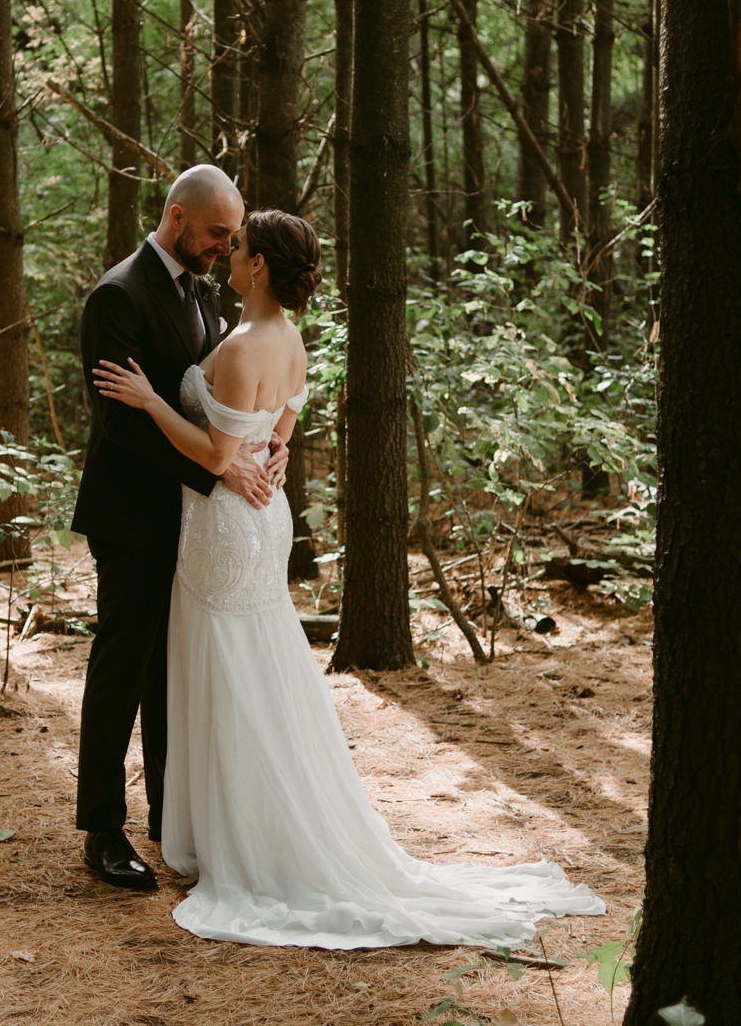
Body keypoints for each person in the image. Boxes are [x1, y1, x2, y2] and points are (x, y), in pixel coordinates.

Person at [93, 208, 604, 948]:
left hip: (228, 525)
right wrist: (276, 453)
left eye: (239, 247)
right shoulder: (290, 340)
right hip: (262, 521)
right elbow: (281, 431)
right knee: (257, 668)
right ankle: (248, 822)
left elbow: (211, 457)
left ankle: (239, 836)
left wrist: (148, 400)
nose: (229, 255)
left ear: (260, 266)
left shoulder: (238, 347)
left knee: (225, 669)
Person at [70, 165, 286, 890]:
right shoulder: (116, 294)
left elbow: (224, 399)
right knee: (123, 667)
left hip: (195, 522)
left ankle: (172, 818)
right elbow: (118, 423)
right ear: (176, 216)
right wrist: (219, 470)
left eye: (232, 237)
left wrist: (264, 445)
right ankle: (102, 828)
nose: (227, 247)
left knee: (172, 672)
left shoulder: (200, 290)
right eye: (218, 232)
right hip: (131, 514)